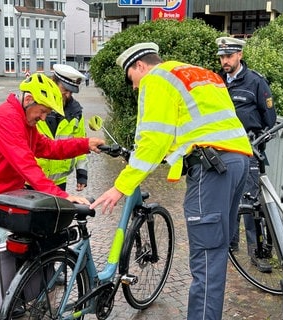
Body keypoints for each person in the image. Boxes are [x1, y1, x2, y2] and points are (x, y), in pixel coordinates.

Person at [89, 42, 253, 320]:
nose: (134, 87)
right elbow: (198, 125)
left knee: (205, 258)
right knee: (215, 256)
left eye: (131, 78)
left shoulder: (157, 79)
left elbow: (153, 139)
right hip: (237, 163)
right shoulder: (201, 74)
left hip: (212, 170)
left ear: (140, 66)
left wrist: (121, 186)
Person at [0, 73, 104, 320]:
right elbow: (27, 166)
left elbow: (48, 148)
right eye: (42, 111)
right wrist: (63, 196)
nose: (43, 117)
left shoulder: (24, 122)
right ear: (28, 99)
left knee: (3, 288)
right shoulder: (6, 119)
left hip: (4, 206)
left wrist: (84, 144)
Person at [215, 36, 277, 273]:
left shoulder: (255, 82)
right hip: (222, 150)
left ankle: (257, 253)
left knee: (249, 201)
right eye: (222, 57)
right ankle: (230, 244)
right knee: (226, 198)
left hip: (249, 150)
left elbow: (269, 118)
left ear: (239, 55)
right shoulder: (216, 81)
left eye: (229, 56)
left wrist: (257, 143)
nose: (225, 61)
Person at [36, 64, 88, 191]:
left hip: (58, 181)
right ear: (53, 82)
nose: (68, 95)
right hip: (31, 180)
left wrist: (82, 173)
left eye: (71, 91)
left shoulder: (75, 112)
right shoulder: (35, 105)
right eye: (65, 89)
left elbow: (80, 143)